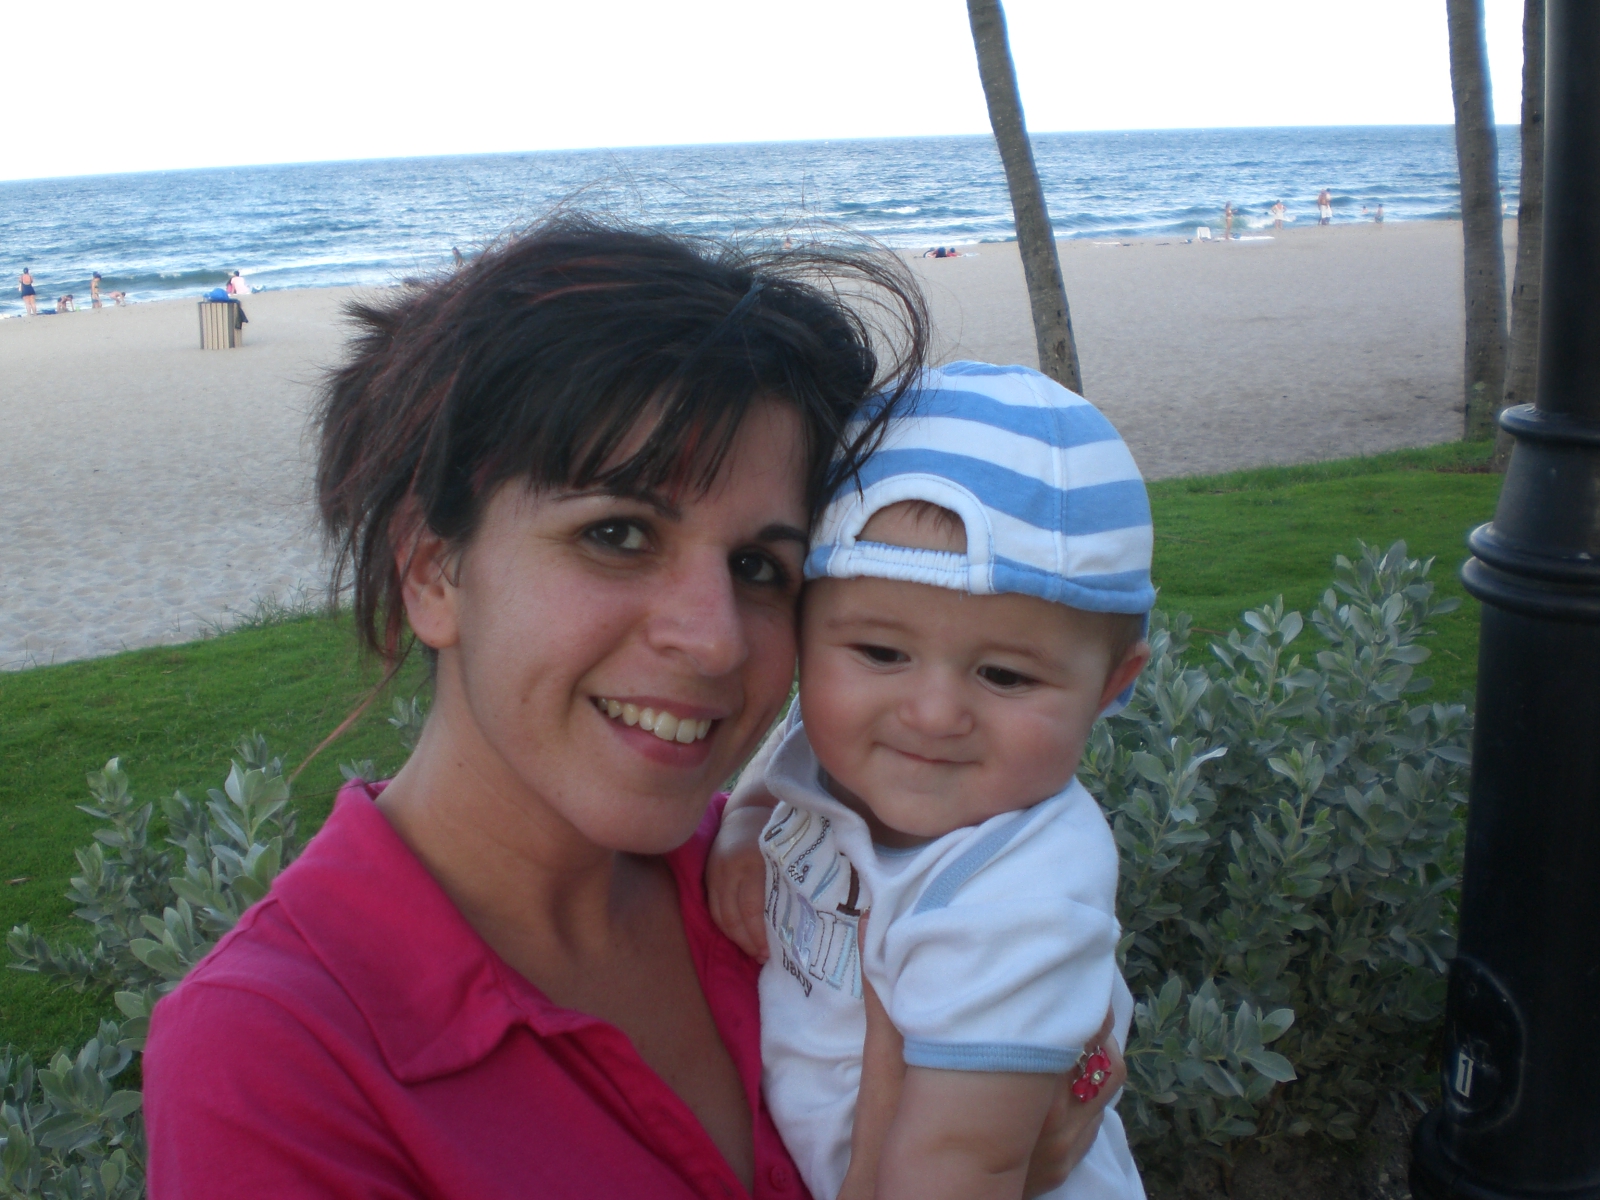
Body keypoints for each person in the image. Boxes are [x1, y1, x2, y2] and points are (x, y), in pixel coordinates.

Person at [141, 219, 1124, 1198]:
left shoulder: (775, 885)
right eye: (617, 534)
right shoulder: (273, 1058)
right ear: (433, 571)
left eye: (759, 567)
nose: (714, 639)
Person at [708, 362, 1151, 1200]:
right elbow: (795, 740)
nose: (933, 713)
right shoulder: (844, 744)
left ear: (1111, 685)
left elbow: (959, 1164)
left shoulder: (1017, 899)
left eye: (1005, 675)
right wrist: (747, 819)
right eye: (882, 653)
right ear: (803, 640)